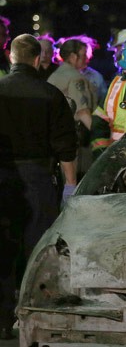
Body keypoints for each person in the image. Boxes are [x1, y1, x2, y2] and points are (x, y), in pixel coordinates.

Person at [0, 34, 77, 339]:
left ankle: (4, 320)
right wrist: (71, 187)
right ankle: (38, 317)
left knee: (4, 249)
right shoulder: (50, 94)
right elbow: (65, 146)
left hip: (3, 179)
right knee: (38, 251)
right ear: (36, 59)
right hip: (38, 180)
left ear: (11, 58)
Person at [47, 37, 98, 179]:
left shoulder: (55, 75)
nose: (87, 59)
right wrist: (99, 137)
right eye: (84, 55)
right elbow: (82, 111)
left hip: (56, 139)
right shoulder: (76, 78)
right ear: (73, 56)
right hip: (76, 141)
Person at [77, 35, 108, 106]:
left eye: (87, 55)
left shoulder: (96, 77)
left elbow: (104, 101)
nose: (86, 59)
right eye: (83, 55)